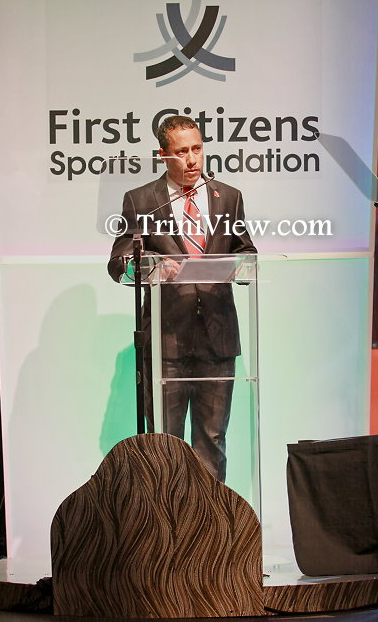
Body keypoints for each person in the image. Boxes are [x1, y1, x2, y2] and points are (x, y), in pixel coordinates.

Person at [108, 115, 256, 481]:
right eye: (181, 152)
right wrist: (151, 265)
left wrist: (240, 266)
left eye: (197, 149)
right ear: (163, 155)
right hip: (166, 342)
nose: (191, 160)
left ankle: (212, 517)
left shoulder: (229, 197)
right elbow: (119, 262)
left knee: (212, 441)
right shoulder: (142, 200)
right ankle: (166, 518)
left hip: (218, 340)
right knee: (164, 447)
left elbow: (246, 251)